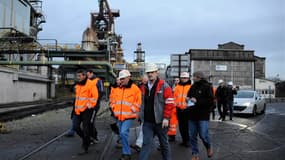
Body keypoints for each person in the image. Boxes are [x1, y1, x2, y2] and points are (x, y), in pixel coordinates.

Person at [139, 63, 174, 160]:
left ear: (156, 73)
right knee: (146, 143)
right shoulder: (144, 86)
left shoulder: (164, 86)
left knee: (164, 144)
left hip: (161, 122)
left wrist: (166, 118)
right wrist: (140, 115)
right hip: (148, 122)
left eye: (152, 72)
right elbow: (141, 102)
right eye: (148, 72)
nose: (150, 74)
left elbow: (170, 102)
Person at [110, 70, 142, 160]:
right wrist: (113, 107)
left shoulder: (135, 89)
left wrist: (132, 109)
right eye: (121, 79)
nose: (122, 80)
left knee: (124, 132)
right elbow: (112, 99)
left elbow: (138, 102)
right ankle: (126, 152)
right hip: (119, 116)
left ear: (128, 77)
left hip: (129, 116)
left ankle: (126, 153)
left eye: (123, 79)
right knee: (122, 134)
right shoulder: (118, 88)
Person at [187, 71, 214, 160]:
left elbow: (210, 101)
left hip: (203, 115)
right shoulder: (193, 86)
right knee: (192, 136)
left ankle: (208, 146)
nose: (192, 78)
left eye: (193, 76)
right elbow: (189, 96)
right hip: (192, 115)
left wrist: (197, 101)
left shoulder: (207, 87)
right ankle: (195, 154)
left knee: (203, 135)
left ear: (198, 77)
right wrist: (188, 99)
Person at [73, 70, 98, 154]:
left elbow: (95, 97)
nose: (78, 77)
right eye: (77, 76)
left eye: (79, 76)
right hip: (78, 110)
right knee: (75, 127)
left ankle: (85, 146)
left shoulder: (91, 84)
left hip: (87, 110)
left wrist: (89, 105)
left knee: (85, 128)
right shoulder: (78, 84)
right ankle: (86, 139)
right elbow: (77, 98)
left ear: (84, 76)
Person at [130, 75, 148, 152]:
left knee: (145, 127)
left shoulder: (149, 87)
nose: (144, 82)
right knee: (143, 126)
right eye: (143, 80)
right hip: (143, 110)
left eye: (145, 81)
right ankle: (139, 144)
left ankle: (140, 144)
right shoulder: (139, 87)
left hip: (148, 111)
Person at [173, 72, 191, 147]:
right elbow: (174, 98)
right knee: (181, 127)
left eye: (185, 78)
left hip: (188, 110)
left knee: (187, 126)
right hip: (179, 109)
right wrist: (175, 107)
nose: (184, 79)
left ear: (188, 78)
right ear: (180, 78)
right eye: (183, 78)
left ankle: (188, 141)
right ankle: (184, 140)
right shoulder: (177, 87)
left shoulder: (191, 87)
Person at [86, 69, 104, 143]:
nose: (87, 76)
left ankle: (94, 137)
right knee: (87, 121)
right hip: (87, 105)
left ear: (92, 73)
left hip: (94, 105)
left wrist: (94, 101)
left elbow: (101, 92)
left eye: (88, 75)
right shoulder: (87, 81)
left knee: (91, 121)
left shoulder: (98, 81)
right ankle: (90, 136)